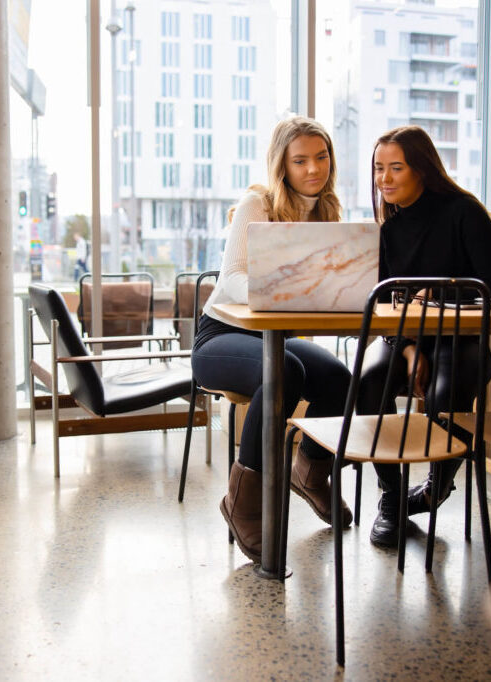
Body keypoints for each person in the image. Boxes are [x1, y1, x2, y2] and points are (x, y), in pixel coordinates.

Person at [191, 116, 352, 563]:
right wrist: (292, 291)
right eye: (300, 160)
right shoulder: (257, 203)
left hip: (272, 336)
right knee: (286, 371)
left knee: (340, 379)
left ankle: (311, 474)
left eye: (321, 157)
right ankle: (242, 501)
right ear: (282, 164)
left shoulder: (327, 211)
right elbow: (231, 281)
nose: (313, 169)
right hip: (220, 338)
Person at [358, 125, 491, 547]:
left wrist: (438, 291)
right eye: (378, 169)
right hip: (403, 339)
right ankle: (391, 495)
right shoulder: (387, 230)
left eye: (395, 168)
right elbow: (385, 304)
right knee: (368, 384)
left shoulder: (463, 211)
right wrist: (407, 348)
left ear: (421, 169)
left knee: (447, 393)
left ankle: (434, 487)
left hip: (460, 341)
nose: (383, 179)